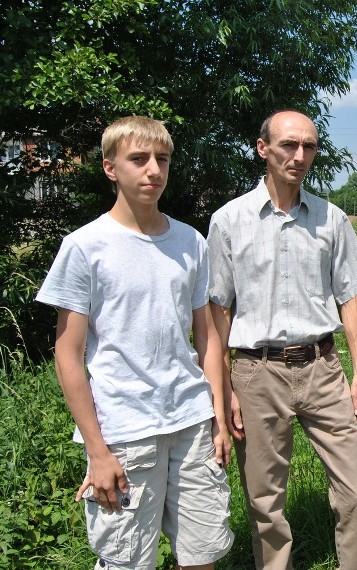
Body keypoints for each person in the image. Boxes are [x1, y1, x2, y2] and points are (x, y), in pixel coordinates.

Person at [36, 116, 233, 570]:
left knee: (203, 554)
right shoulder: (85, 246)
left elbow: (206, 337)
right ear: (110, 168)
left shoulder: (190, 241)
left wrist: (218, 418)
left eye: (161, 160)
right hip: (124, 431)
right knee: (128, 561)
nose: (153, 170)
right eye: (139, 159)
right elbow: (67, 354)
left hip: (190, 420)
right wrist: (97, 451)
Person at [207, 109, 357, 569]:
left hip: (323, 368)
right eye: (288, 145)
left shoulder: (332, 219)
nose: (299, 156)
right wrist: (225, 387)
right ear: (263, 148)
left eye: (309, 147)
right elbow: (218, 310)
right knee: (265, 505)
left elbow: (349, 297)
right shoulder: (228, 221)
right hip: (256, 374)